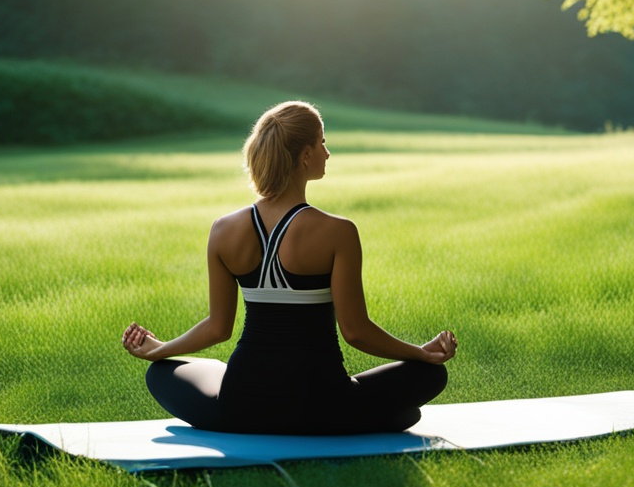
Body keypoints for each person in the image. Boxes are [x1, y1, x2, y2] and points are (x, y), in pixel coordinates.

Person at [121, 101, 458, 435]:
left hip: (240, 406)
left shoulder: (223, 230)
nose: (327, 152)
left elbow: (218, 328)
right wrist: (420, 353)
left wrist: (161, 350)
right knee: (429, 375)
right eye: (322, 142)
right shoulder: (338, 232)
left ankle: (357, 418)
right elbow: (356, 332)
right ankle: (363, 419)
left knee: (162, 373)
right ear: (305, 155)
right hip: (325, 403)